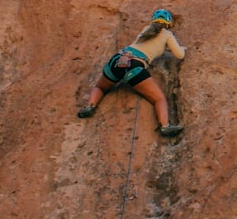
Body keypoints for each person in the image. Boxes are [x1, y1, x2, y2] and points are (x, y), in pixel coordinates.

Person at [78, 8, 187, 136]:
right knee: (159, 99)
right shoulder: (167, 34)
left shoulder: (146, 30)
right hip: (134, 65)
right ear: (169, 23)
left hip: (118, 59)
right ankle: (165, 126)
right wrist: (182, 48)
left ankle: (89, 106)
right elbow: (180, 55)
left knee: (100, 87)